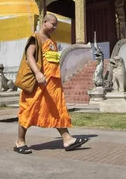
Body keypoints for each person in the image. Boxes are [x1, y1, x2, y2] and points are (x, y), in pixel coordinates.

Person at [14, 13, 88, 154]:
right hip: (38, 83)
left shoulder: (51, 41)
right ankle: (20, 141)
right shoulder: (35, 38)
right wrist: (37, 73)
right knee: (29, 110)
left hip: (52, 84)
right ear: (45, 22)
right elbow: (29, 57)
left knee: (57, 109)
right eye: (53, 24)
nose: (55, 27)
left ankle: (67, 139)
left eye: (56, 25)